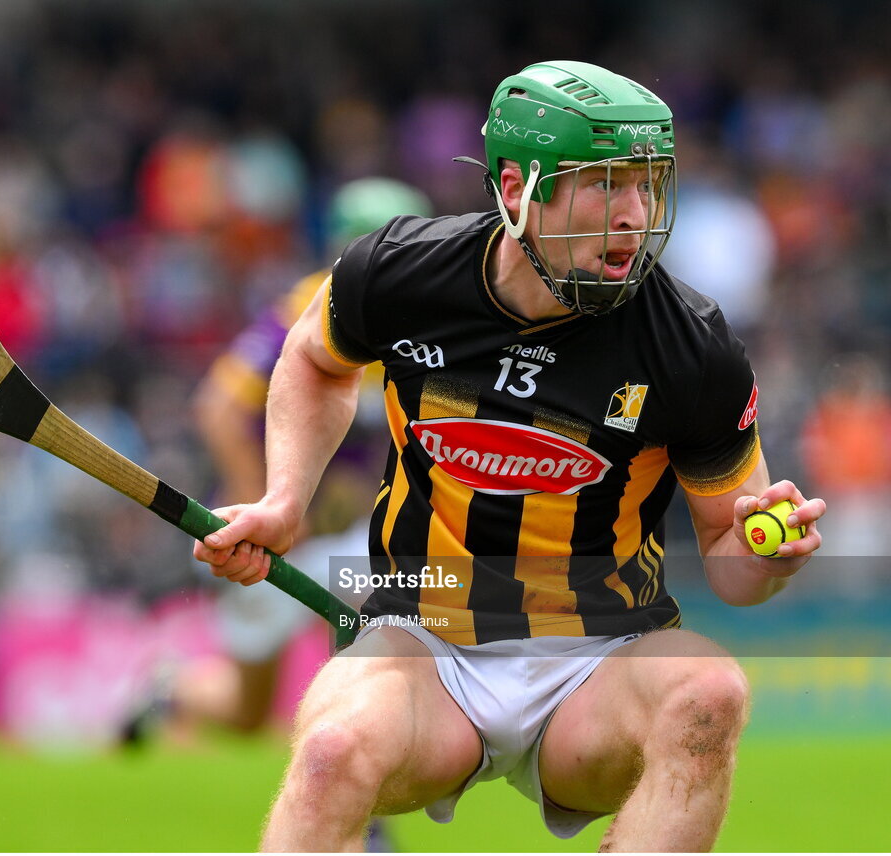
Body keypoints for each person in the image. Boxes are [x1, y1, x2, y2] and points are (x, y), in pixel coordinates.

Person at [194, 60, 826, 852]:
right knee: (329, 753)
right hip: (425, 638)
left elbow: (733, 559)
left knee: (709, 695)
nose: (635, 215)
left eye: (648, 184)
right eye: (605, 185)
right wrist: (284, 499)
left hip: (599, 657)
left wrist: (771, 555)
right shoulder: (398, 272)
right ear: (520, 188)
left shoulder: (692, 347)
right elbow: (313, 360)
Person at [126, 179, 432, 742]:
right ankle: (169, 691)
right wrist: (274, 501)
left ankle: (362, 801)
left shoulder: (430, 321)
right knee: (248, 711)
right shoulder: (311, 305)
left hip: (349, 537)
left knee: (364, 629)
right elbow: (217, 406)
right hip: (278, 533)